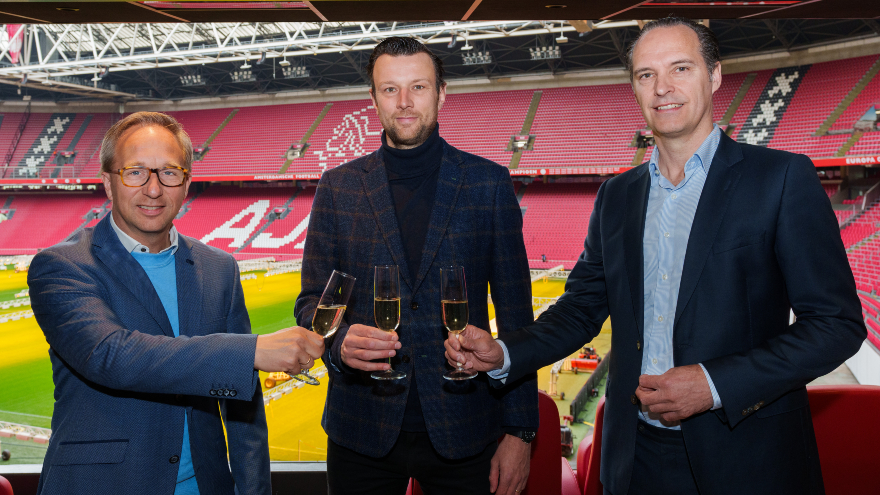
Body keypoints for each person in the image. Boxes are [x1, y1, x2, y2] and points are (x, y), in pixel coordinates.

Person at [445, 17, 866, 495]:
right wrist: (505, 352)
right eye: (646, 74)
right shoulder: (617, 196)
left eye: (680, 68)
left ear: (715, 75)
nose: (662, 87)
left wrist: (713, 384)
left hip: (747, 458)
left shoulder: (781, 178)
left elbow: (836, 324)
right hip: (635, 458)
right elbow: (581, 309)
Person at [28, 112, 325, 495]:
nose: (153, 189)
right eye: (135, 172)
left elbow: (243, 406)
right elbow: (109, 355)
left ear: (186, 184)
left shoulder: (219, 268)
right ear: (108, 182)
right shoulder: (63, 265)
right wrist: (250, 351)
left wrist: (254, 491)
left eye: (169, 172)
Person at [294, 37, 538, 495]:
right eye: (390, 89)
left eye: (418, 87)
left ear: (441, 93)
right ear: (373, 98)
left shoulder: (488, 184)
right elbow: (310, 302)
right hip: (359, 428)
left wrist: (521, 431)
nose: (404, 102)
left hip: (466, 427)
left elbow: (517, 317)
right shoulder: (337, 187)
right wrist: (339, 343)